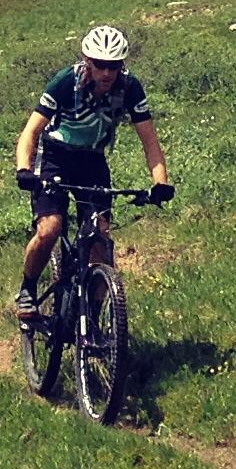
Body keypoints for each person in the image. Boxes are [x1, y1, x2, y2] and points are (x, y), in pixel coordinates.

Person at [12, 24, 170, 321]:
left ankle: (92, 323)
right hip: (55, 157)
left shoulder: (130, 89)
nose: (106, 73)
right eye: (99, 65)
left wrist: (160, 183)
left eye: (113, 66)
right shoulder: (65, 82)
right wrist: (24, 169)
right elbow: (30, 132)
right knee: (50, 228)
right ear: (87, 60)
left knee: (100, 238)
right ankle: (28, 288)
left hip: (92, 161)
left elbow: (150, 141)